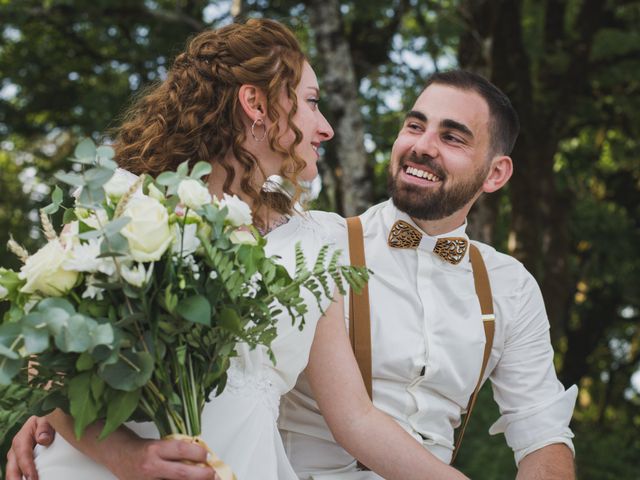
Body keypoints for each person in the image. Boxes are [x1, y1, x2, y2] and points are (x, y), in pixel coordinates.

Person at [4, 19, 471, 480]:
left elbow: (356, 420)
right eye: (310, 102)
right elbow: (46, 369)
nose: (325, 127)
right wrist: (128, 457)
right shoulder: (128, 204)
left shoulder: (313, 245)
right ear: (256, 104)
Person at [278, 70, 578, 479]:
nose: (421, 146)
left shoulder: (511, 286)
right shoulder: (315, 239)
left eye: (452, 137)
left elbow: (541, 430)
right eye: (415, 126)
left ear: (496, 174)